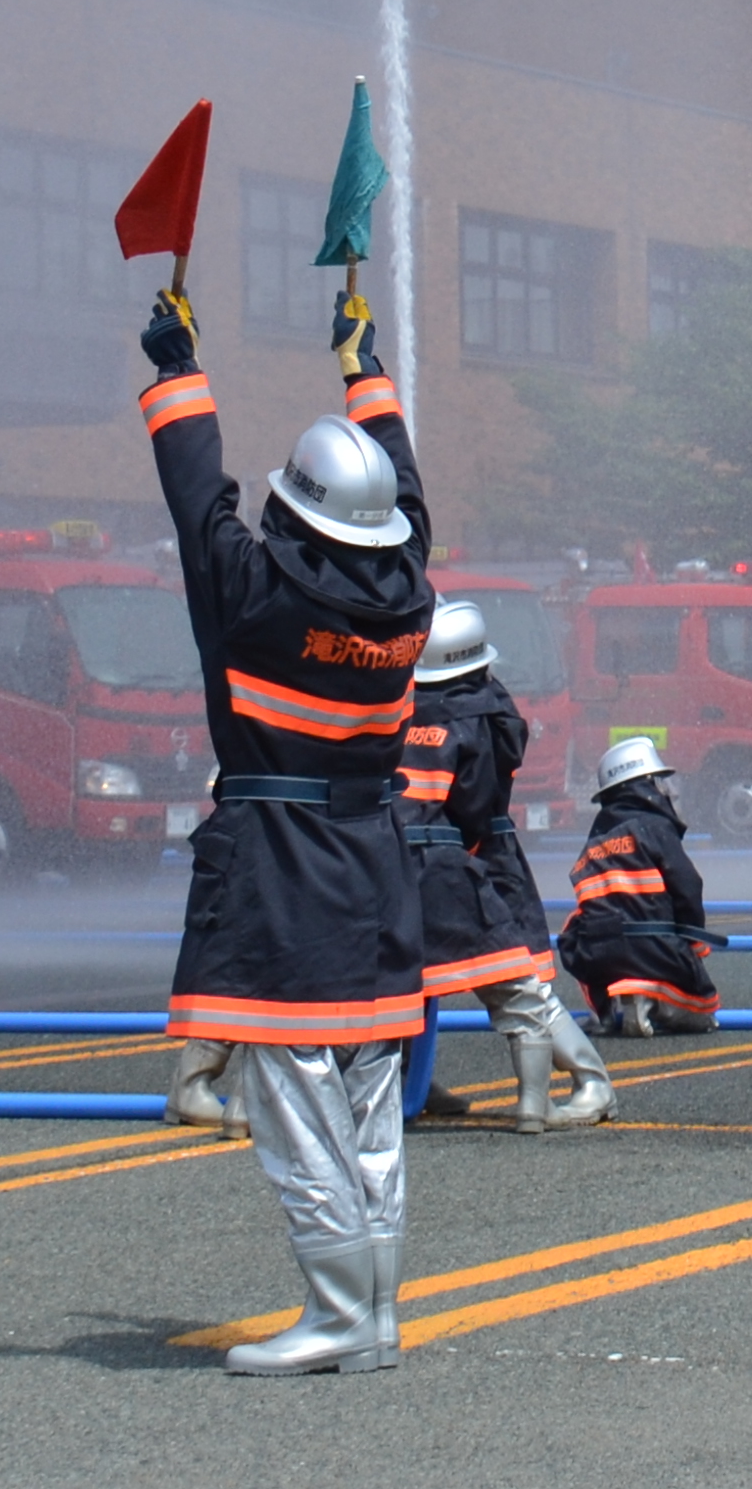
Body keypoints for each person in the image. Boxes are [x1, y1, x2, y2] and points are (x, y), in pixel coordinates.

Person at [139, 289, 435, 1378]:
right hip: (375, 859)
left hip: (283, 862)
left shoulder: (253, 596)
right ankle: (377, 1314)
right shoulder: (411, 601)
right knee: (365, 1094)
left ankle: (334, 1312)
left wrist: (177, 367)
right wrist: (365, 370)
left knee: (293, 1094)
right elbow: (406, 487)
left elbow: (193, 501)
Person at [407, 600, 614, 1129]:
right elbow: (478, 805)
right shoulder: (487, 711)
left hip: (426, 858)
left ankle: (412, 1084)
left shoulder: (407, 712)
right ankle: (573, 1088)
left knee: (410, 974)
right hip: (475, 855)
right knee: (517, 981)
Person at [562, 734, 719, 1035]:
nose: (668, 790)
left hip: (598, 956)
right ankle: (650, 1000)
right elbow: (687, 884)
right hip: (653, 948)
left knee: (575, 929)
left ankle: (604, 1012)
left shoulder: (595, 840)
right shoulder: (655, 827)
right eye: (659, 781)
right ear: (644, 785)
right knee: (703, 1006)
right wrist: (692, 936)